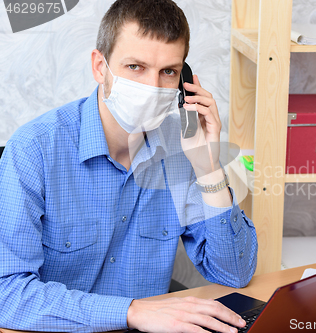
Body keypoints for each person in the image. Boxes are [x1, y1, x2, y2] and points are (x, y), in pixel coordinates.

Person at [0, 1, 257, 332]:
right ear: (99, 67)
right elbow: (6, 293)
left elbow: (234, 272)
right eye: (136, 67)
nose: (152, 88)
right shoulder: (34, 150)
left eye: (168, 72)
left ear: (184, 81)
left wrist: (209, 168)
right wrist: (131, 311)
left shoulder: (183, 149)